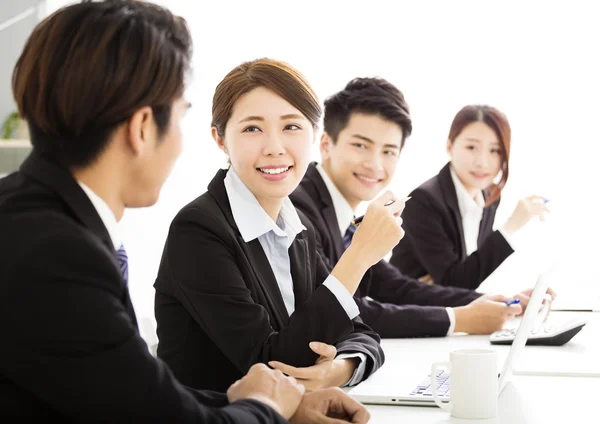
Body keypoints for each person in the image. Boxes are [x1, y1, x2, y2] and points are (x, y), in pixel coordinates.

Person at [0, 2, 370, 422]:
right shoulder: (56, 254)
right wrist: (266, 408)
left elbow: (132, 395)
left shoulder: (37, 220)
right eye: (180, 117)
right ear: (142, 128)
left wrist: (273, 406)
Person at [154, 59, 403, 393]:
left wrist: (339, 369)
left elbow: (360, 332)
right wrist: (359, 256)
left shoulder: (296, 228)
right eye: (252, 128)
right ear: (220, 139)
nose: (274, 147)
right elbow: (270, 363)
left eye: (292, 127)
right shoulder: (198, 230)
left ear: (315, 135)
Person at [291, 78, 554, 338]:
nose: (375, 164)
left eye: (389, 151)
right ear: (325, 145)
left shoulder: (344, 214)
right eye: (361, 145)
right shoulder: (300, 209)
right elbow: (340, 310)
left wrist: (501, 302)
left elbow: (395, 286)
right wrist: (459, 319)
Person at [390, 104, 549, 289]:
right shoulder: (424, 202)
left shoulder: (490, 195)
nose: (482, 162)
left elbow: (469, 272)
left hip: (454, 307)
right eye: (472, 147)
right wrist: (511, 226)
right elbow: (456, 281)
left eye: (495, 151)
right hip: (412, 311)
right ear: (450, 146)